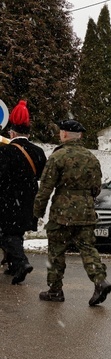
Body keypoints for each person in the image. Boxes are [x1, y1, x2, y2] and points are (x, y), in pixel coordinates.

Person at [33, 120, 111, 305]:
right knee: (87, 248)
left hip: (62, 213)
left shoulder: (58, 157)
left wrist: (37, 212)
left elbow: (45, 188)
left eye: (61, 132)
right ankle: (100, 281)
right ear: (81, 136)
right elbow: (96, 188)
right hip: (85, 212)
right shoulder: (91, 158)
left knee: (56, 251)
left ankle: (55, 290)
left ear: (65, 134)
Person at [0, 100, 47, 284]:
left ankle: (21, 263)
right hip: (29, 198)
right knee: (17, 232)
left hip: (8, 199)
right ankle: (13, 266)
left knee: (6, 233)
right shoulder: (38, 151)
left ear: (12, 132)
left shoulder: (7, 152)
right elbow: (41, 174)